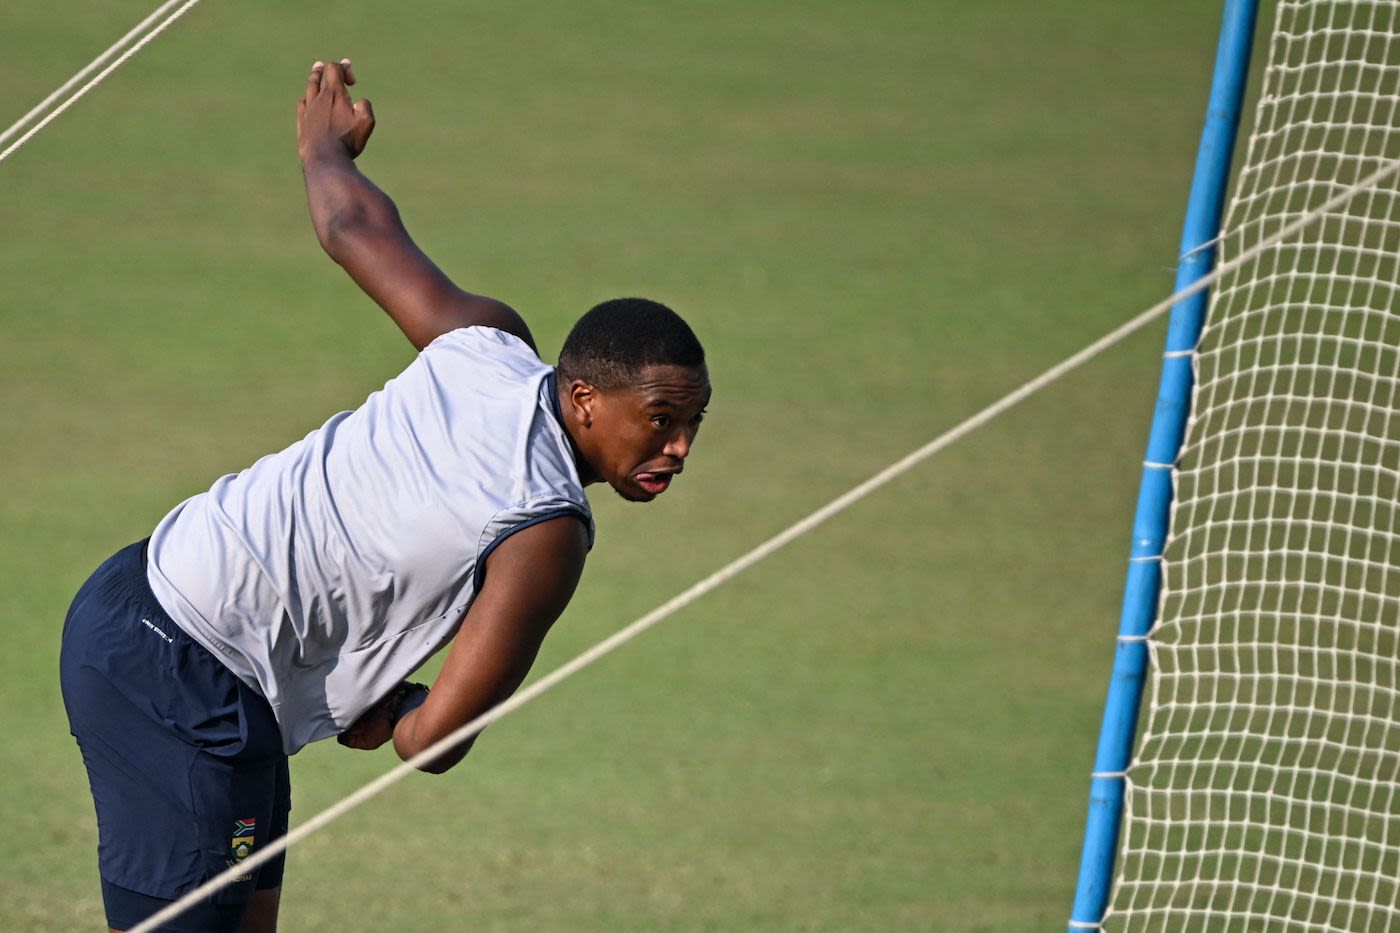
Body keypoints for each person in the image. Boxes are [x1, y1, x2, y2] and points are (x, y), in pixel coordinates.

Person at [59, 58, 710, 933]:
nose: (678, 448)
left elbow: (350, 223)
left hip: (179, 631)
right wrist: (398, 703)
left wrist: (325, 152)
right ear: (586, 398)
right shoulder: (548, 531)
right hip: (172, 669)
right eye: (661, 419)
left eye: (694, 425)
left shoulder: (488, 342)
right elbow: (436, 742)